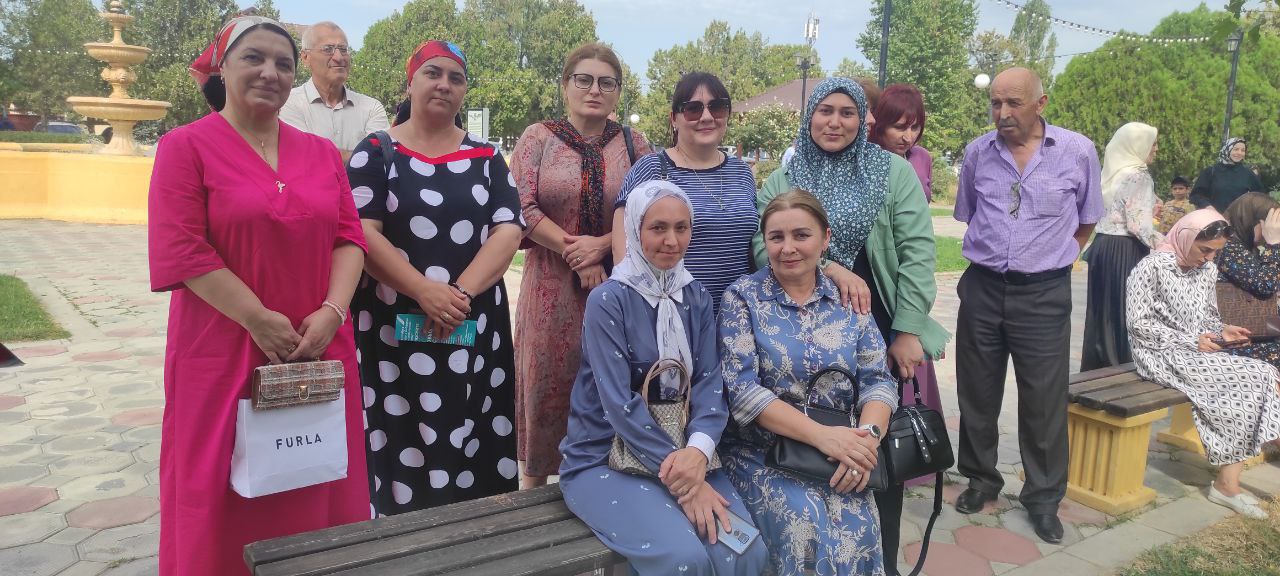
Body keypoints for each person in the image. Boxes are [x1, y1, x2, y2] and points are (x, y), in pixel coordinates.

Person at [148, 16, 369, 575]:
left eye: (283, 63)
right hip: (223, 348)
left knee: (316, 481)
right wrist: (257, 319)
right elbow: (183, 250)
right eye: (254, 58)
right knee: (221, 489)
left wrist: (333, 310)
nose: (270, 72)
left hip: (317, 346)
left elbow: (349, 238)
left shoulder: (321, 154)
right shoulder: (185, 147)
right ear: (222, 68)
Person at [755, 76, 946, 573]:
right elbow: (761, 245)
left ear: (864, 120)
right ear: (809, 117)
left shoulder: (891, 172)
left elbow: (918, 251)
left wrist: (908, 329)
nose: (835, 122)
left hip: (876, 323)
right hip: (803, 325)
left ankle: (881, 560)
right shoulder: (787, 176)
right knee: (817, 441)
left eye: (847, 112)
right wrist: (830, 267)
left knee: (875, 445)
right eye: (825, 111)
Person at [347, 40, 524, 515]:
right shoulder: (377, 153)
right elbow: (362, 232)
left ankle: (476, 536)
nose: (444, 84)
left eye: (456, 78)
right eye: (433, 73)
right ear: (411, 83)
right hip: (393, 329)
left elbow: (508, 229)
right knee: (398, 437)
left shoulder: (486, 157)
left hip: (472, 322)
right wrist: (422, 289)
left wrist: (458, 292)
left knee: (474, 435)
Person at [559, 180, 769, 575]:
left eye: (681, 227)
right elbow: (618, 404)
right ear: (635, 230)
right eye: (658, 228)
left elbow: (709, 384)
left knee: (745, 553)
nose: (671, 241)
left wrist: (698, 453)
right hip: (605, 457)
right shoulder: (609, 301)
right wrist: (687, 481)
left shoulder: (696, 297)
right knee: (683, 560)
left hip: (686, 454)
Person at [952, 67, 1102, 544]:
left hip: (1043, 293)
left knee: (1043, 400)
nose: (1002, 112)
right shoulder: (978, 152)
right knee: (977, 391)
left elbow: (1087, 220)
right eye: (995, 103)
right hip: (983, 286)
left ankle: (1043, 499)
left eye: (1013, 103)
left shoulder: (1077, 151)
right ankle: (981, 479)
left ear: (1041, 103)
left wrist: (1056, 255)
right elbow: (969, 214)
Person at [721, 190, 897, 576]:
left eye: (801, 235)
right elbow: (743, 393)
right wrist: (823, 437)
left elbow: (878, 381)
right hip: (763, 453)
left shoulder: (849, 298)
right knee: (806, 525)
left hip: (844, 449)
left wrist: (867, 440)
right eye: (776, 237)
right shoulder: (743, 299)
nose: (788, 248)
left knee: (861, 528)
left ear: (825, 239)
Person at [509, 42, 652, 489]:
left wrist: (602, 246)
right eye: (584, 80)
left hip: (616, 286)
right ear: (565, 85)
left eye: (607, 83)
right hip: (549, 290)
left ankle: (600, 493)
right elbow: (520, 205)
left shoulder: (634, 145)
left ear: (618, 92)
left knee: (609, 385)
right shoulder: (538, 138)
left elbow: (648, 211)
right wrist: (576, 251)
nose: (594, 90)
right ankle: (532, 499)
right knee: (544, 388)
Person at [1126, 208, 1280, 519]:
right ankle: (1226, 486)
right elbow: (1138, 324)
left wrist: (1223, 332)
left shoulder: (1207, 269)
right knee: (1250, 378)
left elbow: (1208, 318)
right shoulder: (1151, 267)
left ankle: (1227, 483)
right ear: (1186, 237)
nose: (1209, 258)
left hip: (1195, 350)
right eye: (1205, 249)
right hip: (1158, 352)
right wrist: (1191, 340)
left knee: (1264, 373)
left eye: (1215, 252)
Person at [610, 72, 757, 312]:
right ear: (674, 119)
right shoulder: (652, 168)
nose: (707, 117)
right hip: (672, 315)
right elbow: (623, 250)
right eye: (693, 109)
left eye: (717, 107)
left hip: (738, 317)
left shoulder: (742, 172)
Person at [1080, 122, 1162, 371]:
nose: (1155, 149)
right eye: (1152, 143)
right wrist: (1165, 243)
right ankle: (1121, 367)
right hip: (1125, 248)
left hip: (1103, 245)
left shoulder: (1113, 173)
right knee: (1126, 309)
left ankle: (1098, 367)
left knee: (1102, 311)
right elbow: (1138, 225)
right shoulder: (1139, 175)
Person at [280, 21, 390, 162]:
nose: (339, 57)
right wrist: (360, 158)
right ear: (305, 58)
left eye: (343, 49)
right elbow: (300, 156)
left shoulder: (371, 108)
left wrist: (321, 154)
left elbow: (381, 158)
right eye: (328, 49)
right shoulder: (288, 102)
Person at [1216, 192, 1280, 367]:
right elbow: (1264, 286)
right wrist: (1273, 245)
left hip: (1256, 334)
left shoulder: (1244, 247)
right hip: (1232, 339)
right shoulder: (1228, 247)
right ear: (1252, 221)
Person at [1190, 137, 1265, 213]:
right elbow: (1196, 195)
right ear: (1227, 149)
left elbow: (1260, 197)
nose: (1239, 153)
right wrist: (1208, 206)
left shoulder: (1248, 173)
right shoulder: (1211, 171)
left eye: (1243, 150)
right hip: (1214, 217)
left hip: (1238, 219)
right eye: (1236, 149)